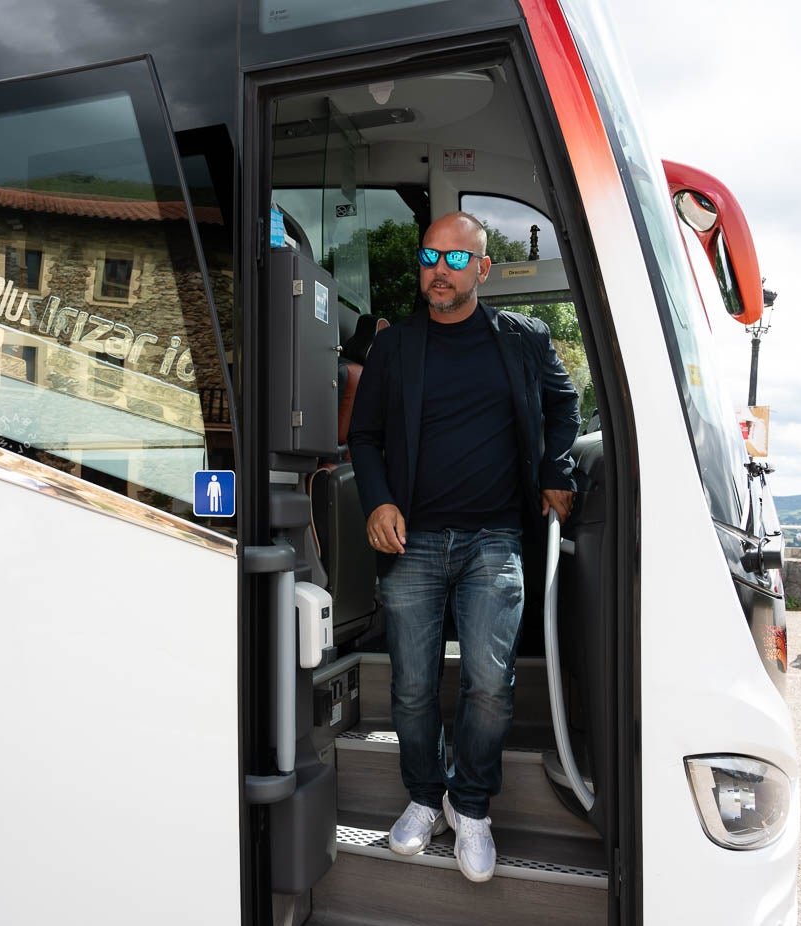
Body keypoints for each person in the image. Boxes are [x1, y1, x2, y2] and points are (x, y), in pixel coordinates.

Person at [347, 211, 580, 883]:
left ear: (482, 269)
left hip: (494, 539)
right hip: (411, 541)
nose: (437, 270)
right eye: (428, 257)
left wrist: (555, 471)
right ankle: (423, 797)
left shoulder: (523, 339)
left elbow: (564, 409)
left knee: (489, 685)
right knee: (415, 689)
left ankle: (469, 804)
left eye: (455, 259)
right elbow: (364, 437)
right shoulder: (394, 348)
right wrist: (378, 500)